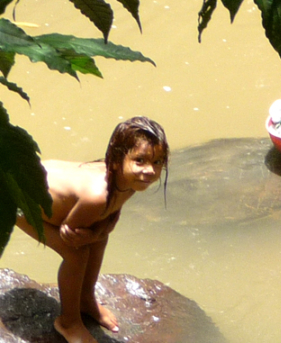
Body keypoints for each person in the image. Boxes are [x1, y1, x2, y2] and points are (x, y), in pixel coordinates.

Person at [15, 117, 169, 343]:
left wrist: (99, 233)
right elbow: (71, 233)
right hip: (17, 200)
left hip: (44, 188)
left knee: (98, 239)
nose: (150, 170)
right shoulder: (98, 195)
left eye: (157, 162)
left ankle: (86, 299)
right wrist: (96, 234)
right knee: (77, 254)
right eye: (140, 161)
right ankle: (68, 322)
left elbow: (112, 215)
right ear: (116, 161)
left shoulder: (130, 180)